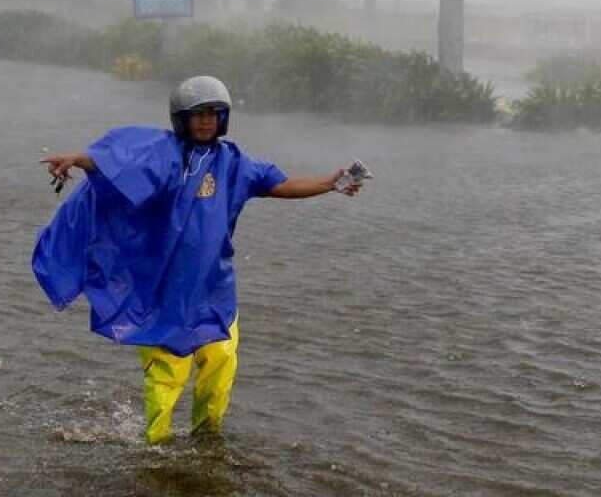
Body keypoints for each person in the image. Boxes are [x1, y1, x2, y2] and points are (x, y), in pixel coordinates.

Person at [32, 75, 365, 445]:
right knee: (167, 375)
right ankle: (155, 448)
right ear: (181, 118)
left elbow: (281, 185)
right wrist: (79, 159)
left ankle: (207, 442)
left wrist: (328, 183)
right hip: (163, 294)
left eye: (214, 113)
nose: (206, 121)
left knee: (220, 365)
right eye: (198, 114)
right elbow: (121, 164)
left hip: (214, 290)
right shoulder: (163, 155)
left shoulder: (235, 163)